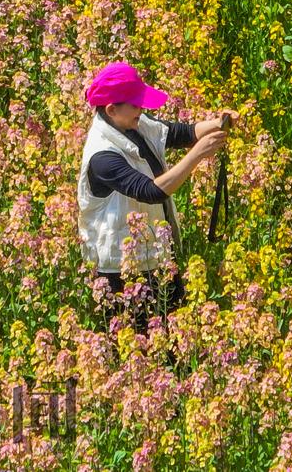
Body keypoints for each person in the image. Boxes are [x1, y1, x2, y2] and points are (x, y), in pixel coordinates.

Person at [77, 61, 236, 331]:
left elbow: (178, 133)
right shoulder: (102, 156)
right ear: (111, 109)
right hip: (121, 271)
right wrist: (197, 154)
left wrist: (218, 122)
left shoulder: (132, 124)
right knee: (137, 352)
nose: (143, 109)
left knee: (173, 344)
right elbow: (151, 191)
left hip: (156, 258)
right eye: (136, 104)